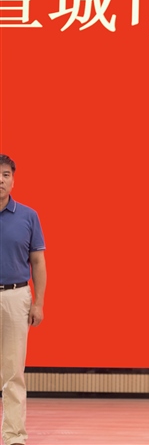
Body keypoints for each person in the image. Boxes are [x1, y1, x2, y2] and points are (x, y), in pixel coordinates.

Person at [0, 154, 47, 445]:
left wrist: (38, 302)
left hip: (15, 297)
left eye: (5, 174)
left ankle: (14, 435)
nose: (0, 179)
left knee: (13, 371)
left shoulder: (28, 216)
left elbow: (38, 262)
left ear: (13, 180)